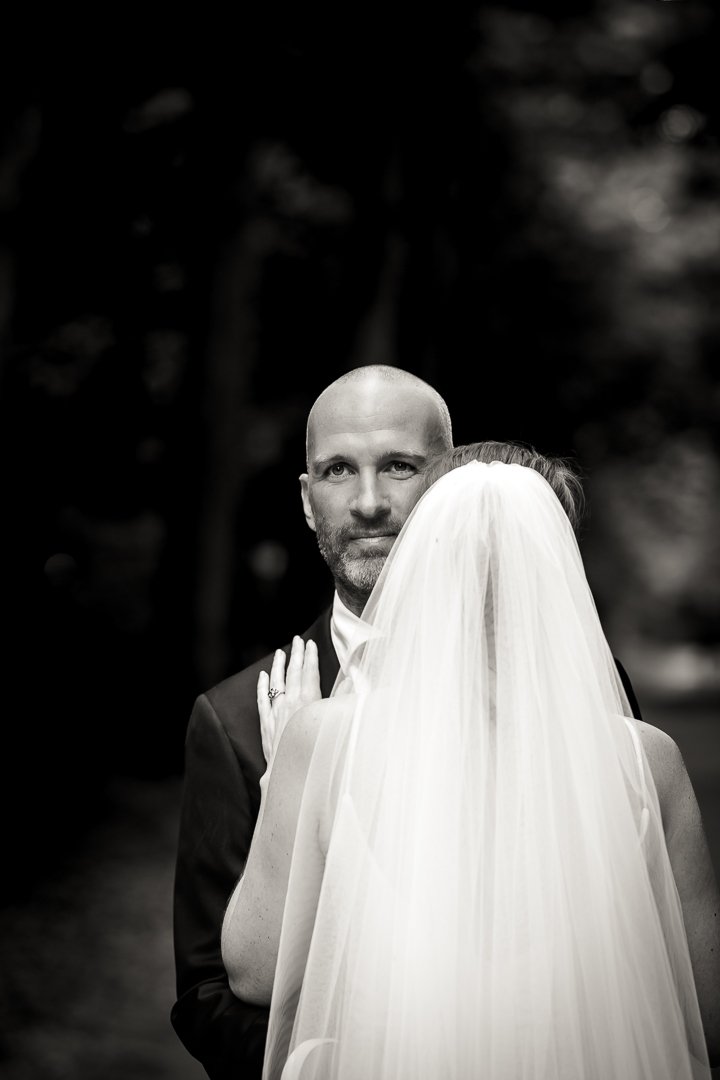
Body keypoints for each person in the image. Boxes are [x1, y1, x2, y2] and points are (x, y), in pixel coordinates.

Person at [221, 449, 720, 1079]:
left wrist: (283, 778)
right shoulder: (646, 762)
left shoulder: (323, 742)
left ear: (422, 561)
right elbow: (709, 1016)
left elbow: (255, 972)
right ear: (558, 568)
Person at [171, 364, 455, 1079]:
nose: (367, 503)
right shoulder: (234, 718)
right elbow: (206, 998)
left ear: (450, 483)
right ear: (306, 500)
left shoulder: (569, 684)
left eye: (398, 466)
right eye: (336, 470)